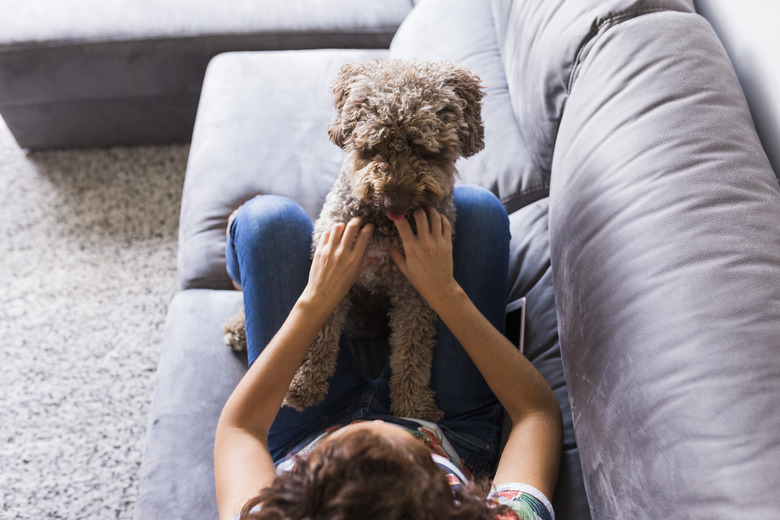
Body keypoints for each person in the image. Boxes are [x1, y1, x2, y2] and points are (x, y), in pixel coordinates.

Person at [214, 186, 563, 520]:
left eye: (339, 450)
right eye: (397, 447)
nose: (374, 423)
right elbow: (537, 412)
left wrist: (315, 300)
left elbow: (241, 428)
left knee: (267, 220)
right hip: (450, 432)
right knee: (478, 210)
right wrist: (444, 293)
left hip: (303, 433)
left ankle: (239, 274)